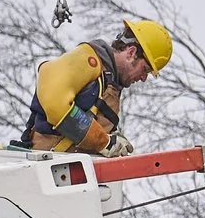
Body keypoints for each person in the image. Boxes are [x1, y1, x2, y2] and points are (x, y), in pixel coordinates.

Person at [13, 19, 173, 154]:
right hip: (41, 165)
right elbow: (54, 102)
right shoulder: (88, 60)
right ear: (131, 53)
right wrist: (104, 142)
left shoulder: (110, 84)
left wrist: (110, 138)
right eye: (145, 69)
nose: (144, 78)